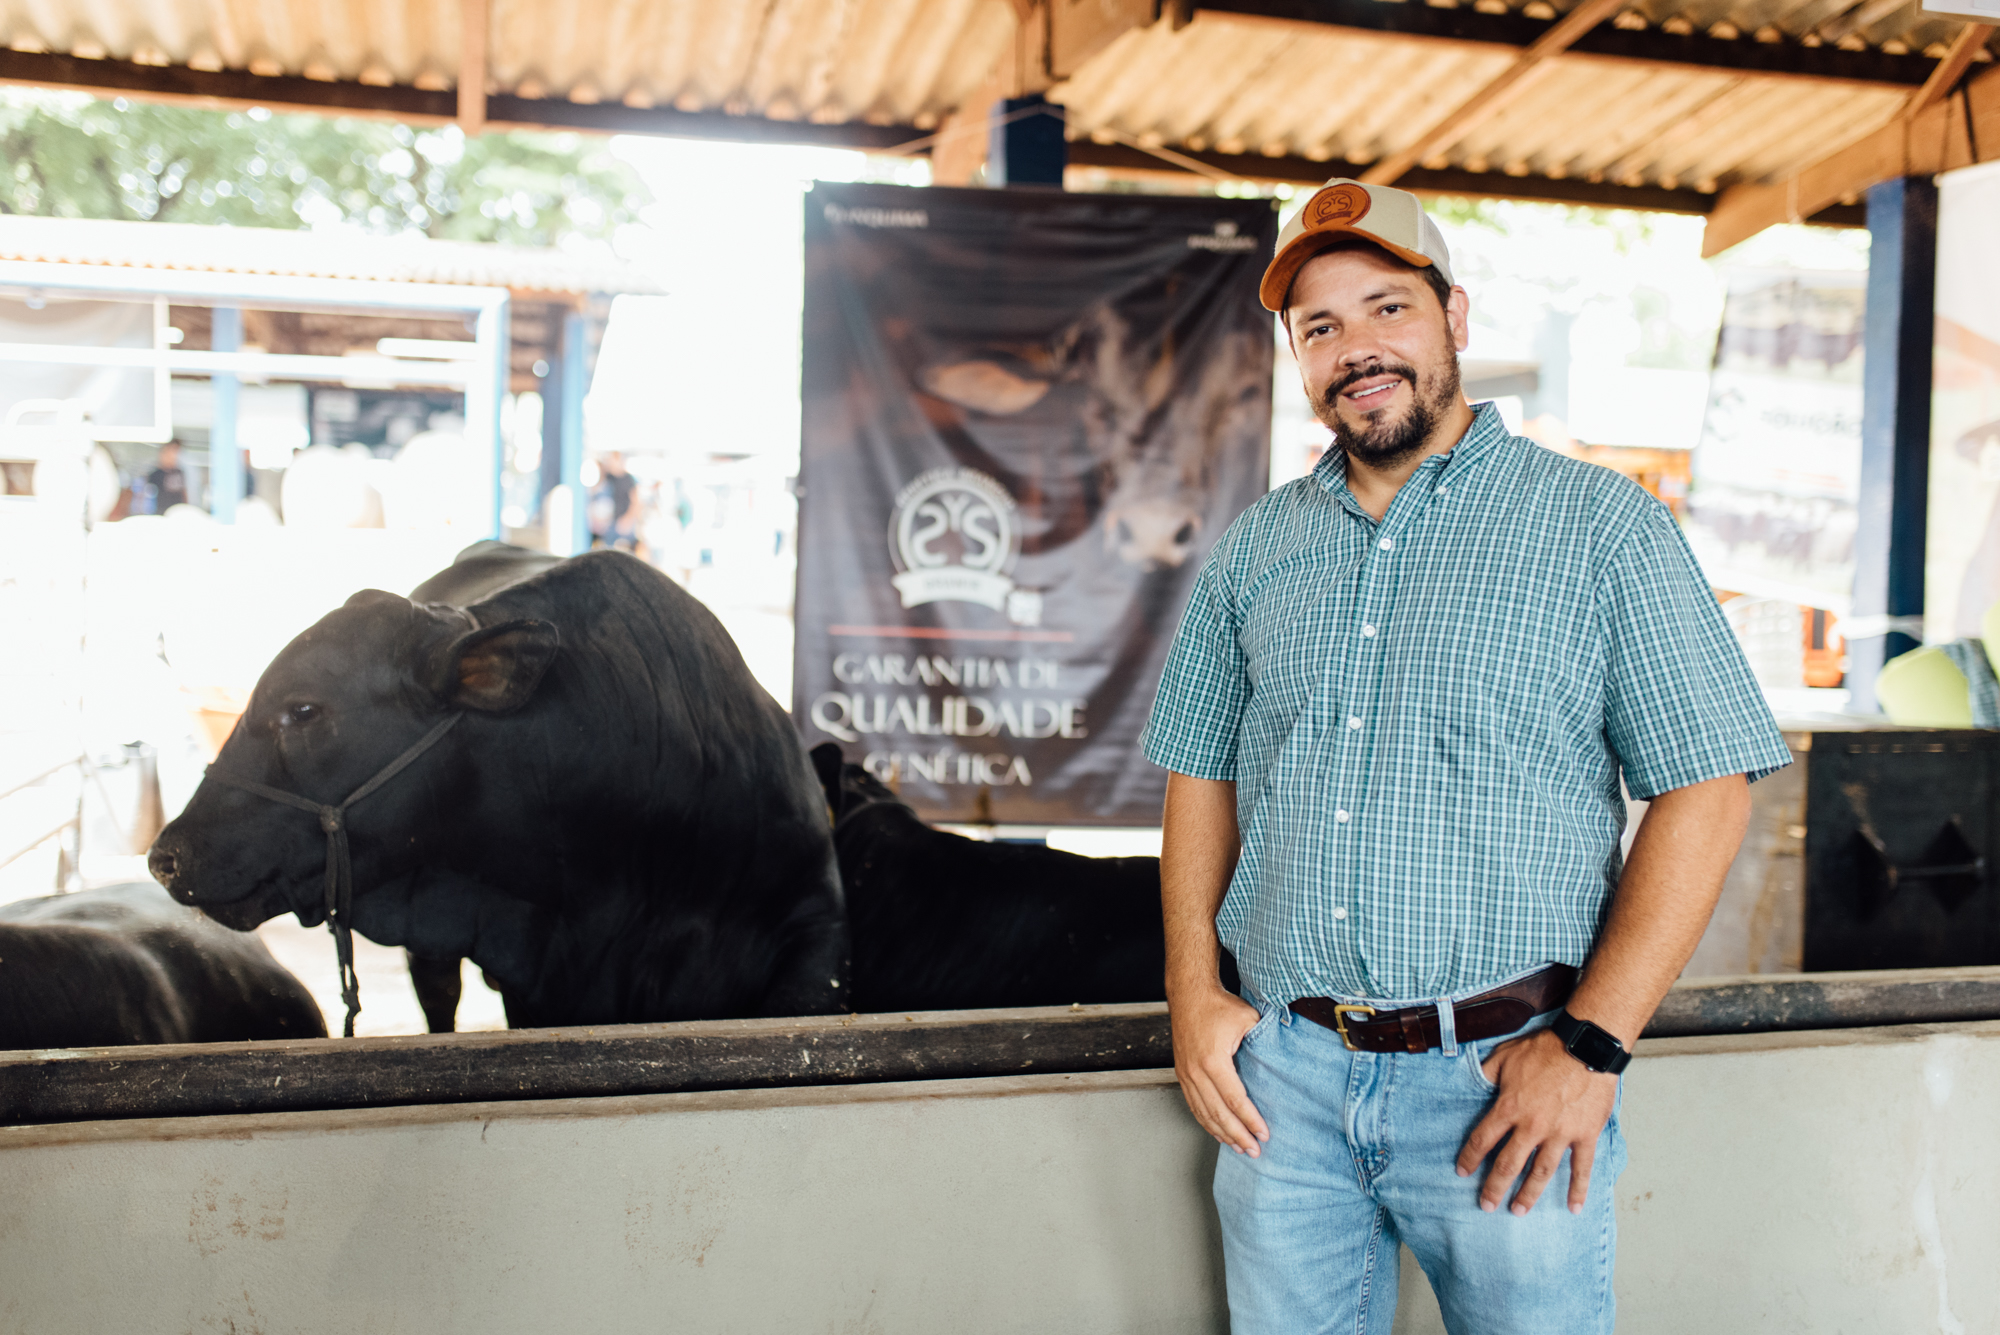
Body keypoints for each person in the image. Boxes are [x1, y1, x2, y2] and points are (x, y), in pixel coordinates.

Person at [1141, 178, 1790, 1334]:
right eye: (1319, 328)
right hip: (1283, 1082)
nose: (1355, 349)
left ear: (1455, 317)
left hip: (1507, 1079)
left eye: (1386, 308)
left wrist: (1589, 1048)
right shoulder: (1256, 549)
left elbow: (1707, 789)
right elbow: (1200, 776)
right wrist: (1194, 994)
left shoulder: (1600, 527)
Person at [145, 441, 190, 513]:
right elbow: (148, 496)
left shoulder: (179, 472)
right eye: (170, 453)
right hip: (161, 512)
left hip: (177, 511)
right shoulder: (155, 474)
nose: (173, 456)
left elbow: (183, 492)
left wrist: (186, 508)